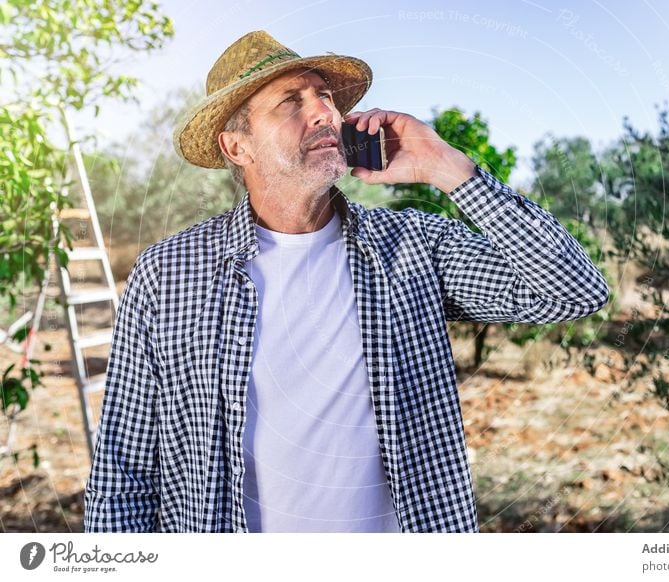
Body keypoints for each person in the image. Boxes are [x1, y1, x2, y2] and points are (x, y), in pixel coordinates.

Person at [84, 30, 609, 533]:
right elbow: (123, 471)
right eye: (291, 102)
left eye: (325, 96)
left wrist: (449, 169)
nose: (323, 113)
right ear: (237, 147)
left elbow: (573, 290)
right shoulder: (170, 274)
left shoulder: (412, 249)